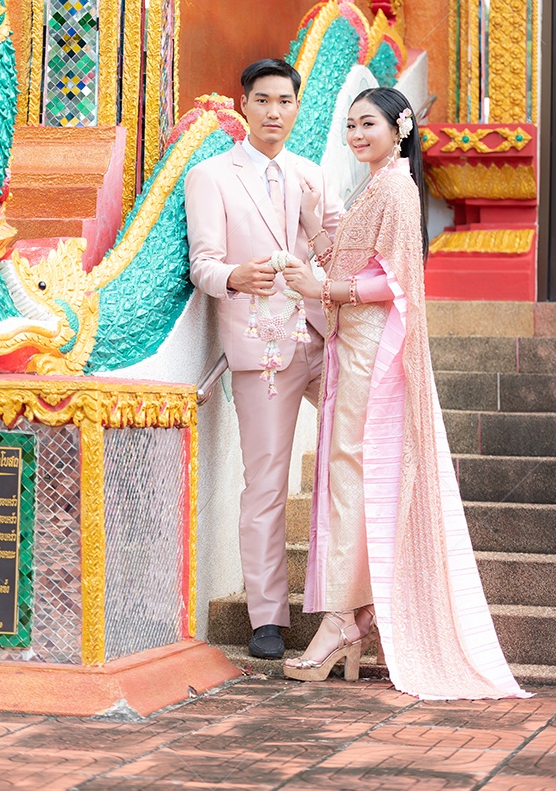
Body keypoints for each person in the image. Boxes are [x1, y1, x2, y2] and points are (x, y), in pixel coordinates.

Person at [279, 86, 528, 699]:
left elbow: (392, 283)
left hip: (370, 352)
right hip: (355, 350)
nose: (356, 134)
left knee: (349, 475)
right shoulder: (379, 185)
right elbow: (356, 263)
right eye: (350, 125)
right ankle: (356, 614)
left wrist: (323, 289)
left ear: (400, 127)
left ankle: (343, 619)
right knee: (349, 476)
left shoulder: (394, 187)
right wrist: (318, 242)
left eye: (367, 124)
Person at [185, 58, 343, 659]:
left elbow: (335, 251)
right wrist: (233, 276)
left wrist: (313, 223)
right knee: (267, 483)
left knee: (352, 464)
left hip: (323, 338)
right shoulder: (212, 176)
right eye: (264, 101)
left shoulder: (312, 175)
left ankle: (349, 604)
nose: (275, 112)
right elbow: (203, 262)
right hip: (261, 348)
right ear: (243, 105)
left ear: (298, 108)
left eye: (285, 101)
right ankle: (268, 616)